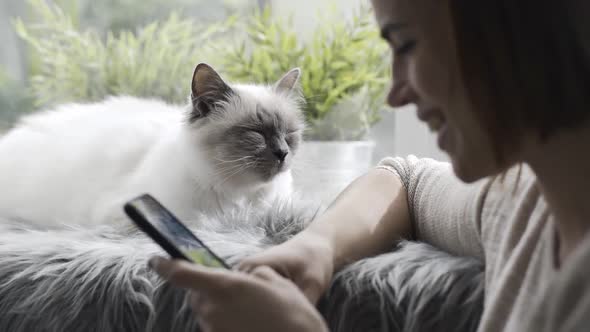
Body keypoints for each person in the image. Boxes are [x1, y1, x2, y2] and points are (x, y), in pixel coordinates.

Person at [149, 0, 590, 331]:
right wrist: (315, 247)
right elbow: (406, 179)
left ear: (512, 31)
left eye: (408, 45)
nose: (394, 94)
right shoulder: (525, 204)